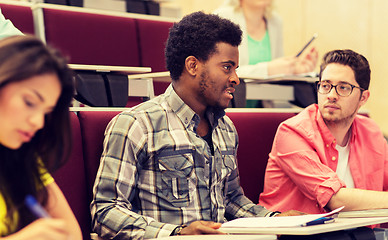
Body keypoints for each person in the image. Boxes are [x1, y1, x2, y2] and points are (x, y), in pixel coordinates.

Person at [91, 11, 300, 240]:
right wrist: (176, 233)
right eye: (227, 67)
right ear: (192, 65)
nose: (235, 79)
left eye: (236, 69)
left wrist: (272, 219)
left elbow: (230, 200)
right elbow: (105, 212)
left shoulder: (226, 129)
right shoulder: (136, 125)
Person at [259, 49, 388, 214]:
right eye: (325, 86)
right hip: (297, 235)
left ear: (363, 97)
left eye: (343, 87)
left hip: (357, 232)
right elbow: (334, 198)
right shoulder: (292, 132)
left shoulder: (371, 132)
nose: (331, 95)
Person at [0, 35, 82, 240]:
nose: (39, 122)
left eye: (46, 112)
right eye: (29, 102)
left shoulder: (21, 159)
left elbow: (71, 234)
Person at [214, 0, 318, 108]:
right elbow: (221, 71)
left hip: (262, 109)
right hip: (230, 108)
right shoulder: (223, 16)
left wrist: (294, 70)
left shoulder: (275, 22)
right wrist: (268, 69)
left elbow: (276, 74)